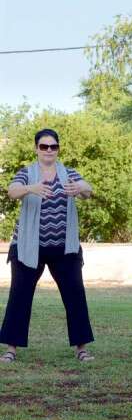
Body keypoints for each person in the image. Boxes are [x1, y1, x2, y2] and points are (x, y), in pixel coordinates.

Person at [0, 128, 95, 364]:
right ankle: (11, 350)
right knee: (20, 297)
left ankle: (82, 349)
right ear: (36, 149)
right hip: (28, 246)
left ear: (58, 149)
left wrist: (80, 189)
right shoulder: (26, 173)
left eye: (53, 146)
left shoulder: (68, 173)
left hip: (64, 248)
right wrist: (30, 188)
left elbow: (88, 190)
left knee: (75, 296)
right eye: (44, 146)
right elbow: (12, 191)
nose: (49, 150)